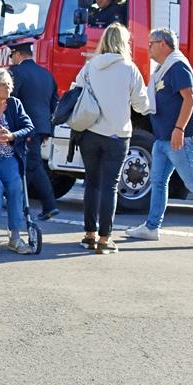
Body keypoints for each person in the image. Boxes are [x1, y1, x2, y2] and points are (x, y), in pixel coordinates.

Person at [125, 27, 193, 248]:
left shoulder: (178, 66)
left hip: (178, 139)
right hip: (163, 139)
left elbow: (190, 97)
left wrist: (179, 129)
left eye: (151, 43)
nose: (148, 47)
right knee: (157, 182)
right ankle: (151, 227)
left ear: (163, 44)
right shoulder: (164, 69)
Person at [74, 23, 150, 253]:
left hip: (89, 132)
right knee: (110, 186)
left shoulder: (90, 66)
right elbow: (142, 105)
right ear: (123, 43)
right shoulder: (129, 68)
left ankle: (89, 235)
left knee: (92, 183)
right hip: (118, 135)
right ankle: (105, 239)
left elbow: (76, 89)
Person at [0, 68, 33, 254]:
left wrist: (12, 136)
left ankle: (15, 237)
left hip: (9, 155)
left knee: (15, 188)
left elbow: (28, 127)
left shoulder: (15, 104)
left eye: (10, 83)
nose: (8, 87)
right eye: (3, 84)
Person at [8, 42, 60, 220]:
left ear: (17, 54)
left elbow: (9, 100)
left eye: (11, 55)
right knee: (25, 163)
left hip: (24, 128)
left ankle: (49, 204)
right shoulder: (47, 75)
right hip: (41, 127)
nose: (11, 60)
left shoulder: (16, 72)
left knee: (32, 165)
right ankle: (17, 200)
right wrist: (46, 128)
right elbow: (55, 104)